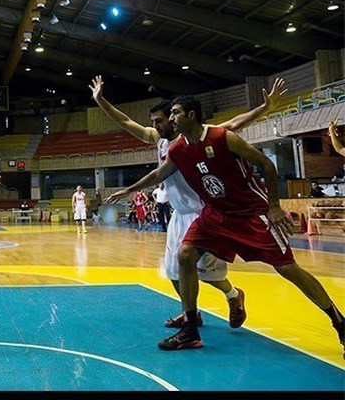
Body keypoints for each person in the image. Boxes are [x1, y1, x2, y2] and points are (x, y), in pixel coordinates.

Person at [106, 95, 345, 355]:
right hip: (215, 214)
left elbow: (266, 164)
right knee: (185, 255)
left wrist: (274, 206)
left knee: (287, 268)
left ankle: (338, 321)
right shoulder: (177, 149)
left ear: (191, 115)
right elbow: (159, 174)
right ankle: (190, 328)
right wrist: (129, 190)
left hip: (250, 213)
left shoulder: (222, 137)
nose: (172, 118)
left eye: (175, 113)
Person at [90, 75, 285, 329]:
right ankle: (190, 313)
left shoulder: (196, 137)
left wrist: (265, 108)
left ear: (173, 119)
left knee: (208, 274)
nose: (156, 125)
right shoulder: (159, 140)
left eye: (160, 120)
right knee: (173, 271)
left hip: (204, 212)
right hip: (178, 214)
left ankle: (233, 295)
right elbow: (125, 121)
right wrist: (101, 100)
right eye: (154, 122)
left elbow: (235, 122)